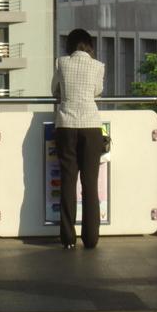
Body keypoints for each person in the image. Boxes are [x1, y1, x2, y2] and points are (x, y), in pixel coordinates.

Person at [51, 29, 105, 250]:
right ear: (89, 46)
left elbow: (54, 90)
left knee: (68, 180)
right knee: (90, 184)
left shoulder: (60, 63)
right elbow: (97, 91)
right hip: (91, 126)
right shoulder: (98, 65)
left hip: (66, 124)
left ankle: (68, 238)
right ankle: (91, 239)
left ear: (69, 45)